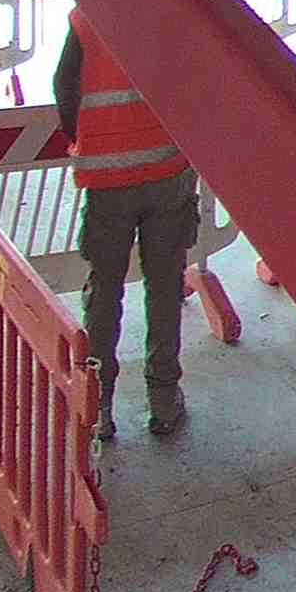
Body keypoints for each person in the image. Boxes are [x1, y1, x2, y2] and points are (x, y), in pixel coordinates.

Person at [54, 22, 198, 440]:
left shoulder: (87, 19)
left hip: (107, 177)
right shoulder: (175, 14)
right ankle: (164, 400)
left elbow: (65, 85)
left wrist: (87, 140)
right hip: (168, 170)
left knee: (104, 290)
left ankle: (98, 406)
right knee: (165, 286)